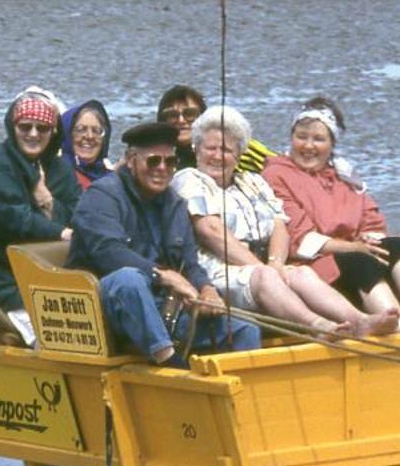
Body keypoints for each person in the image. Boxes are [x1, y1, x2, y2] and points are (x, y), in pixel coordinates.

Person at [171, 107, 400, 340]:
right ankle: (319, 326)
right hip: (217, 269)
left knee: (302, 274)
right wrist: (264, 269)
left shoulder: (252, 181)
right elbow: (211, 231)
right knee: (266, 277)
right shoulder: (189, 179)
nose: (218, 156)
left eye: (227, 150)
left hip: (261, 265)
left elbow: (280, 223)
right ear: (196, 148)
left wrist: (276, 263)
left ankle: (359, 320)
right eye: (211, 148)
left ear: (239, 154)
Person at [263, 99, 400, 331]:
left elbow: (371, 220)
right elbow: (299, 237)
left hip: (354, 256)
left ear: (332, 144)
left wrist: (369, 240)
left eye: (318, 139)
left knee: (395, 245)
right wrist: (355, 247)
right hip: (314, 270)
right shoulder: (277, 174)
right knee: (360, 260)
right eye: (301, 136)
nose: (308, 146)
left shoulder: (344, 176)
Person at [68, 119, 259, 365]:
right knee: (130, 279)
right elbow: (108, 252)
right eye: (153, 160)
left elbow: (190, 265)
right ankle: (168, 363)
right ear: (131, 159)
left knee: (245, 330)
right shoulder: (102, 195)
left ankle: (242, 395)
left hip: (164, 308)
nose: (162, 168)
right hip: (105, 307)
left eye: (170, 162)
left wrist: (207, 290)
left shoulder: (175, 204)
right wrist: (164, 276)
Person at [0, 87, 79, 342]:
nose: (33, 134)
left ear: (53, 131)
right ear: (14, 127)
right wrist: (60, 231)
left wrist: (46, 199)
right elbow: (14, 218)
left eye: (42, 128)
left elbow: (78, 213)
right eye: (25, 127)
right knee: (39, 325)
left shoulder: (60, 168)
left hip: (46, 263)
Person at [156, 83, 275, 174]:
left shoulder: (237, 147)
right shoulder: (156, 160)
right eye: (172, 115)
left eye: (190, 114)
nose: (181, 121)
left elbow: (278, 166)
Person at [59, 99, 113, 190]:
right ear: (67, 134)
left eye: (96, 131)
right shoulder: (58, 175)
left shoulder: (113, 180)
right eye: (80, 130)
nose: (89, 136)